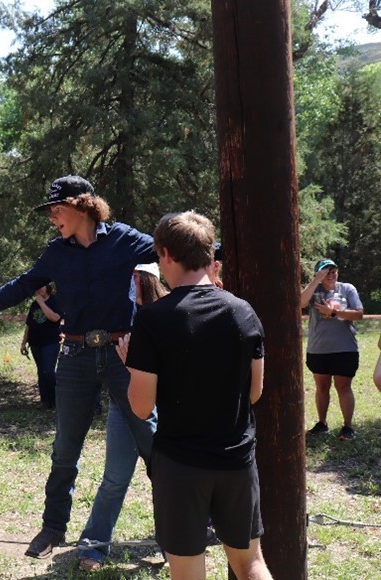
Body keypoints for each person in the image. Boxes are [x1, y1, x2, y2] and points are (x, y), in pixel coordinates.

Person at [0, 175, 158, 569]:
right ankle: (53, 526)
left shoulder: (126, 240)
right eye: (51, 212)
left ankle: (181, 521)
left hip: (123, 355)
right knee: (65, 450)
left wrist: (212, 249)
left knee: (151, 441)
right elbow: (23, 285)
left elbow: (174, 249)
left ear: (83, 206)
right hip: (75, 355)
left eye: (58, 209)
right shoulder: (56, 253)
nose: (53, 218)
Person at [120, 211, 272, 580]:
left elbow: (141, 409)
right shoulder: (243, 312)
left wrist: (130, 364)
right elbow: (254, 392)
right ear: (208, 256)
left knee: (188, 572)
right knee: (251, 563)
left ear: (167, 254)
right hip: (236, 459)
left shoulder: (153, 320)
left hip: (181, 465)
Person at [300, 258, 364, 440]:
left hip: (345, 348)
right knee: (322, 387)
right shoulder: (314, 290)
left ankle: (347, 427)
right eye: (326, 271)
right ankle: (322, 423)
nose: (331, 274)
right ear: (319, 274)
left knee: (343, 387)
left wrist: (333, 313)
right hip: (318, 349)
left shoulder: (347, 289)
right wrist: (315, 281)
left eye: (334, 271)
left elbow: (359, 313)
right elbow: (301, 303)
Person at [19, 284, 62, 409]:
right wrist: (23, 343)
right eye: (36, 287)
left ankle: (56, 400)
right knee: (41, 372)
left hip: (51, 342)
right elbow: (29, 325)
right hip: (35, 342)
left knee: (49, 371)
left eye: (41, 286)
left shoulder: (55, 301)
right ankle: (45, 400)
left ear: (47, 287)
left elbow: (54, 318)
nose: (38, 289)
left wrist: (42, 303)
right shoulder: (34, 305)